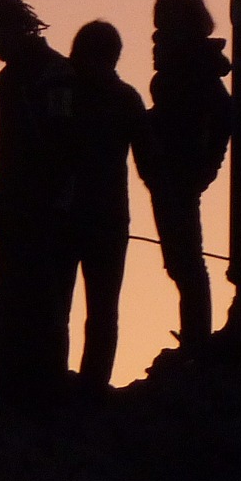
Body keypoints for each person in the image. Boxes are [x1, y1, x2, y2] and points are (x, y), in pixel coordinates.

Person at [0, 0, 75, 403]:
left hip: (40, 207)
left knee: (30, 301)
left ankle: (24, 389)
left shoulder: (47, 76)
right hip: (25, 204)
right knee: (27, 302)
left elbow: (53, 147)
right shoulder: (44, 73)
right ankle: (19, 386)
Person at [141, 0, 231, 345]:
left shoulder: (192, 68)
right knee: (182, 259)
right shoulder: (190, 64)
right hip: (173, 169)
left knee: (186, 260)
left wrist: (205, 166)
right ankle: (195, 336)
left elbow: (222, 118)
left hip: (177, 170)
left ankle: (197, 339)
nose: (156, 36)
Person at [66, 19, 149, 387]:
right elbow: (148, 160)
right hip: (109, 214)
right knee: (102, 309)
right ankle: (93, 384)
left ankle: (62, 380)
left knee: (58, 303)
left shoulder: (66, 93)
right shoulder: (126, 98)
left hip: (66, 211)